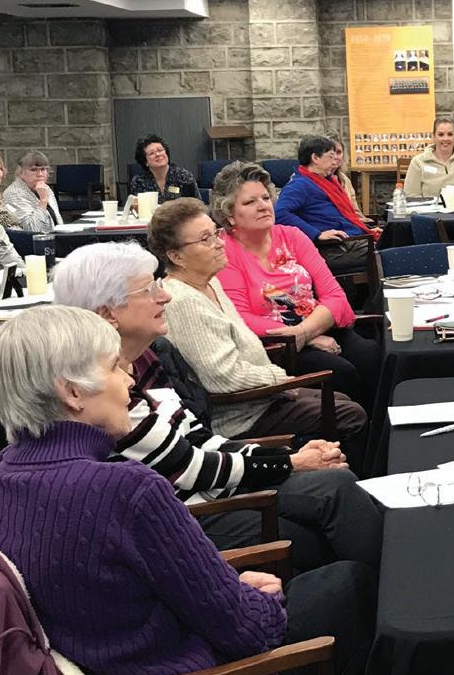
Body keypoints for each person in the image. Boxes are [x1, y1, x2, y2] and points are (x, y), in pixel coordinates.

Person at [0, 305, 374, 675]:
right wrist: (258, 601)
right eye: (114, 368)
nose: (130, 381)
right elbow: (245, 630)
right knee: (352, 582)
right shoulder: (125, 489)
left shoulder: (0, 480)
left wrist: (233, 590)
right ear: (72, 392)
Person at [54, 242, 383, 572]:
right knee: (327, 512)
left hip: (216, 490)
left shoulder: (144, 357)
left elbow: (197, 437)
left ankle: (385, 585)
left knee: (336, 484)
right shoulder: (102, 390)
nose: (164, 296)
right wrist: (290, 462)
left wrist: (287, 457)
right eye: (149, 290)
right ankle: (385, 587)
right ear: (108, 313)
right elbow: (188, 466)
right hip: (189, 518)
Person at [147, 198, 369, 466]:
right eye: (206, 239)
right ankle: (345, 479)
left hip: (262, 397)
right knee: (350, 414)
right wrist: (280, 379)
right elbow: (222, 378)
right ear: (176, 256)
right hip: (240, 417)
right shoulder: (183, 302)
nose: (219, 243)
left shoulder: (209, 283)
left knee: (342, 398)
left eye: (216, 233)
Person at [213, 161, 380, 409]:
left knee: (371, 355)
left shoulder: (292, 235)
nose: (263, 206)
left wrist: (305, 332)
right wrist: (303, 338)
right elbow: (240, 318)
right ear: (229, 214)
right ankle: (354, 432)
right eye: (249, 202)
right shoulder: (224, 250)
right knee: (340, 371)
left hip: (318, 326)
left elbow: (335, 296)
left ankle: (379, 431)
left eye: (265, 198)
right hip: (277, 346)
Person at [275, 135, 381, 242]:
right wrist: (316, 234)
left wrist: (367, 229)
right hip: (340, 244)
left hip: (356, 236)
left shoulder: (328, 181)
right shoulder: (299, 185)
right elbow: (279, 213)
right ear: (315, 158)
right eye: (331, 157)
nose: (334, 162)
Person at [404, 115, 454, 197]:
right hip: (431, 206)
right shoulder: (418, 162)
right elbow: (411, 195)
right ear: (434, 137)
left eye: (450, 134)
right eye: (441, 134)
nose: (445, 138)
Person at [2, 150, 63, 233]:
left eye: (43, 169)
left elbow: (58, 221)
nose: (40, 174)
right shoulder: (14, 194)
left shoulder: (45, 188)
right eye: (34, 170)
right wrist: (43, 200)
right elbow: (32, 230)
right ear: (21, 173)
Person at [130, 134, 198, 203]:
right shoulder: (139, 182)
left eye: (160, 150)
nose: (158, 154)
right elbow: (136, 207)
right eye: (151, 153)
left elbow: (198, 205)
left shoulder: (183, 176)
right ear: (145, 162)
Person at [332, 137, 375, 228]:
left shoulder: (344, 179)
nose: (335, 157)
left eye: (339, 152)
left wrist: (365, 222)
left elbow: (355, 210)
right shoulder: (316, 180)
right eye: (331, 153)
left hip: (352, 224)